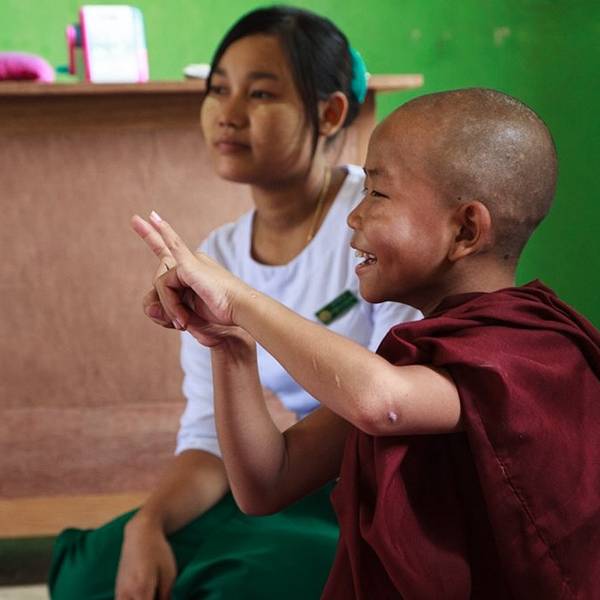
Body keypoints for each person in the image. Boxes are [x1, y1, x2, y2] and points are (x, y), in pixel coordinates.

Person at [133, 87, 600, 598]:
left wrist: (239, 298)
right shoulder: (413, 361)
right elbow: (267, 483)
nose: (353, 217)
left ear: (466, 230)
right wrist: (230, 346)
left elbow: (382, 403)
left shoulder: (529, 352)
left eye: (376, 193)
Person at [48, 6, 420, 600]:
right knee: (88, 573)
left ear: (329, 113)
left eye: (261, 93)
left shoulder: (372, 224)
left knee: (243, 581)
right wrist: (150, 523)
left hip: (361, 486)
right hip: (266, 480)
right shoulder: (219, 252)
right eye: (218, 89)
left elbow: (395, 395)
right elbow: (209, 440)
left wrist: (282, 449)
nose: (228, 112)